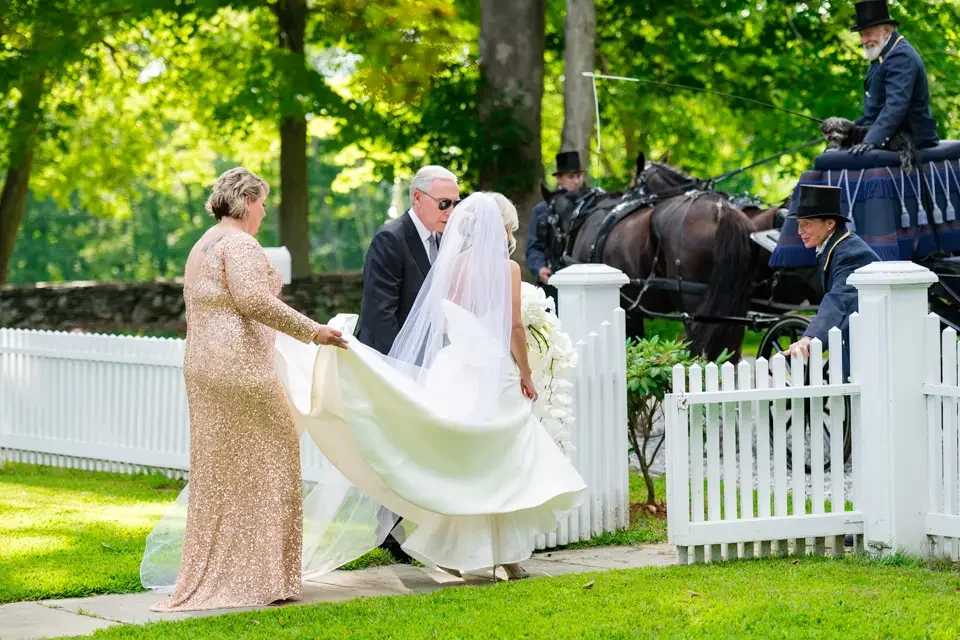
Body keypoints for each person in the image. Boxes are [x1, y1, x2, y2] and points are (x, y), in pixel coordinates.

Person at [276, 191, 587, 580]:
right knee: (501, 463)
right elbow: (515, 328)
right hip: (494, 372)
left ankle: (456, 553)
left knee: (459, 461)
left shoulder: (453, 264)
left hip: (455, 368)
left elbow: (443, 321)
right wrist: (525, 373)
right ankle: (506, 557)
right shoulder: (506, 269)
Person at [144, 167, 347, 612]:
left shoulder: (203, 244)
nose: (264, 212)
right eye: (263, 203)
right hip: (239, 369)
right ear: (247, 201)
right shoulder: (239, 242)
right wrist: (314, 330)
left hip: (202, 368)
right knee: (276, 459)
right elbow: (253, 300)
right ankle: (264, 577)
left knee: (221, 475)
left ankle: (229, 571)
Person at [354, 164, 461, 563]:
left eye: (456, 202)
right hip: (390, 360)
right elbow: (381, 315)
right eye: (444, 202)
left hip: (430, 362)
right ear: (418, 199)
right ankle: (387, 531)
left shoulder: (443, 238)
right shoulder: (390, 239)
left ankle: (411, 525)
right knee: (391, 445)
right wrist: (403, 370)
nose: (451, 210)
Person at [781, 185, 880, 380]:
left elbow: (837, 300)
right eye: (799, 224)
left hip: (874, 350)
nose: (800, 231)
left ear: (830, 224)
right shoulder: (835, 245)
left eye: (807, 223)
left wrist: (809, 338)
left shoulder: (849, 254)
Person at [847, 0, 938, 156]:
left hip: (911, 138)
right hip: (891, 134)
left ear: (887, 30)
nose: (863, 41)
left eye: (868, 34)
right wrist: (848, 130)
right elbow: (874, 111)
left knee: (850, 158)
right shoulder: (882, 53)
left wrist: (871, 140)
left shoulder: (901, 57)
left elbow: (895, 107)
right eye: (861, 35)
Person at [526, 151, 586, 305]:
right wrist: (539, 269)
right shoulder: (542, 210)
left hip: (585, 281)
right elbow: (534, 247)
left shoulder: (590, 207)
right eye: (571, 177)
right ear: (559, 178)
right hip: (554, 280)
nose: (576, 181)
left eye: (579, 176)